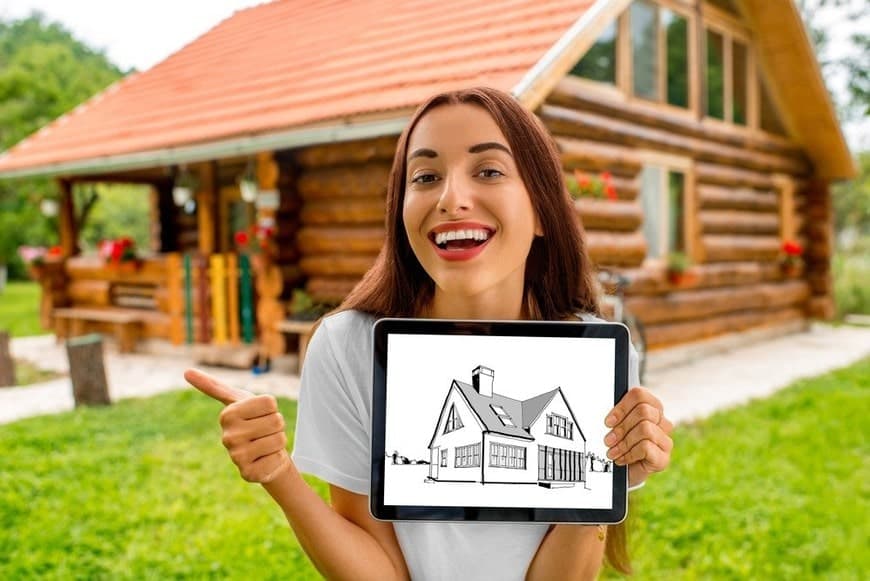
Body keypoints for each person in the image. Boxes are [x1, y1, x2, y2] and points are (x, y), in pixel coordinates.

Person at [186, 86, 674, 580]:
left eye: (488, 170)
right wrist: (278, 473)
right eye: (426, 176)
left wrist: (602, 486)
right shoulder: (347, 348)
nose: (451, 199)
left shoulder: (595, 355)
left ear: (544, 210)